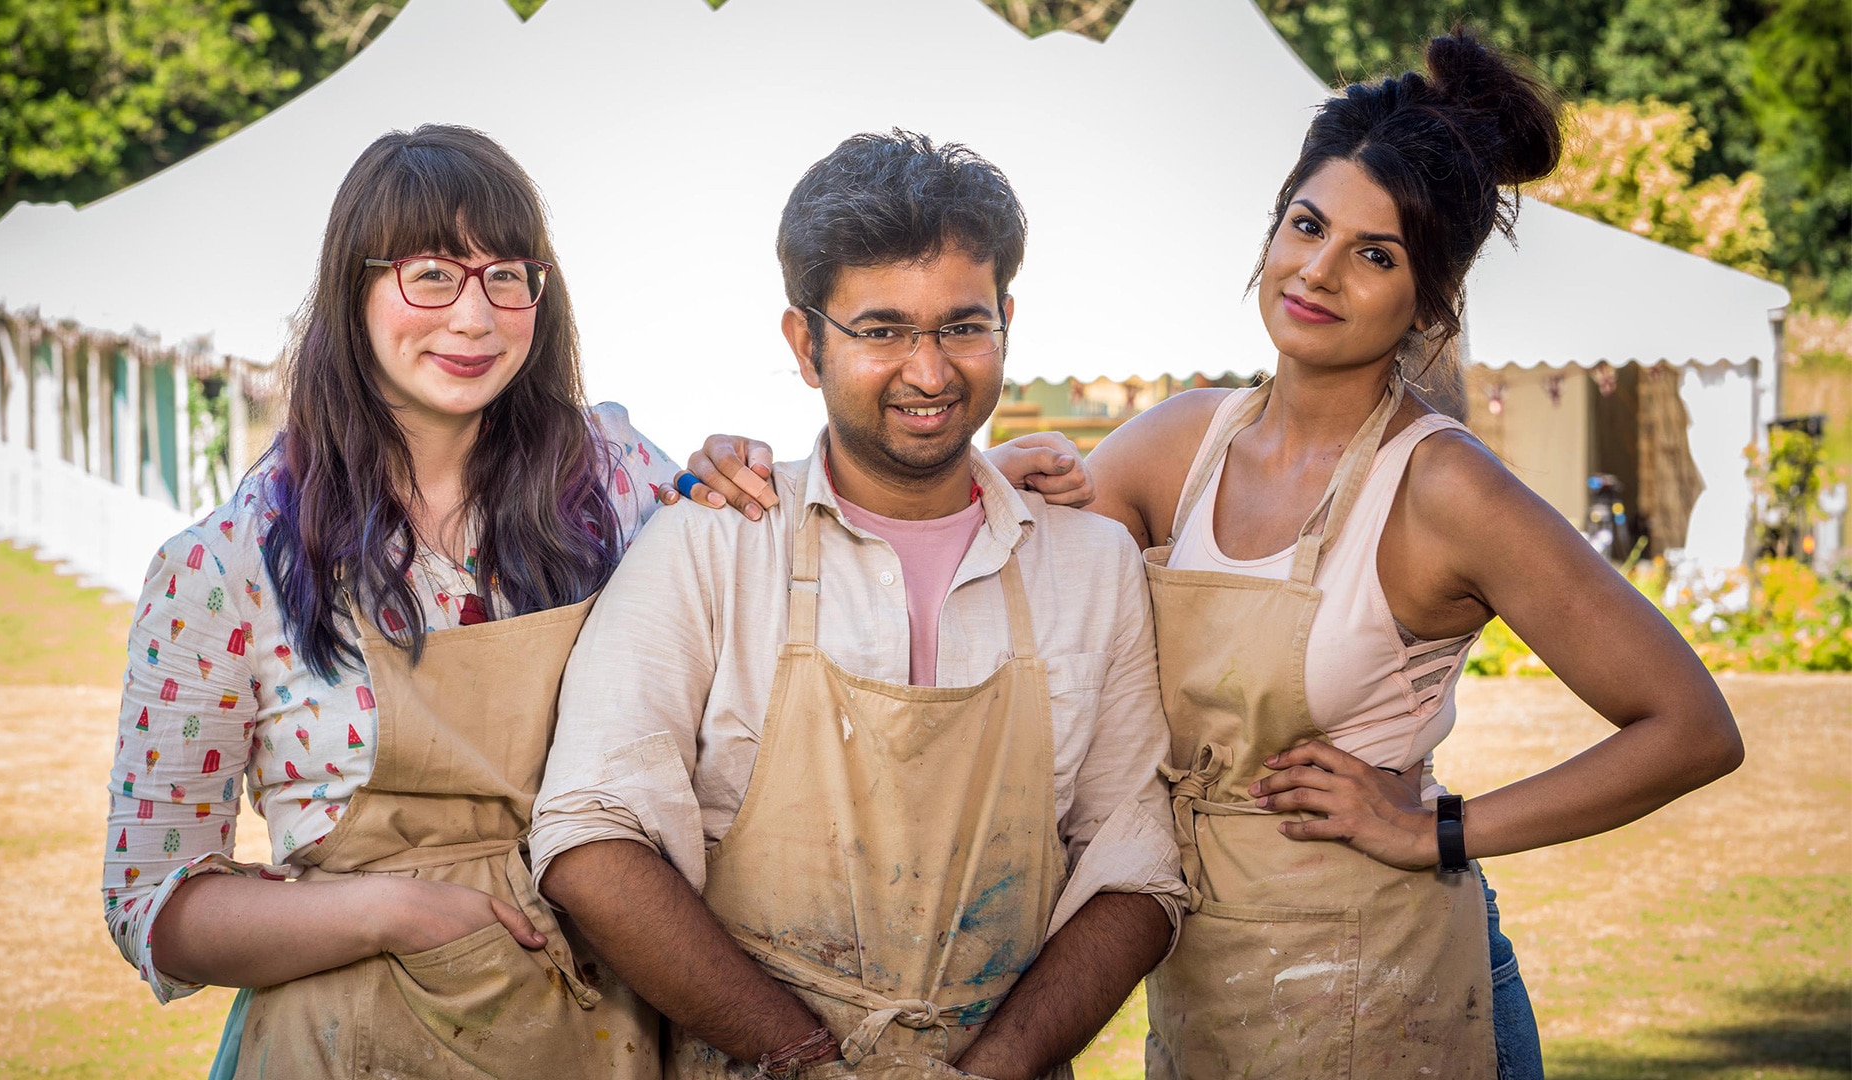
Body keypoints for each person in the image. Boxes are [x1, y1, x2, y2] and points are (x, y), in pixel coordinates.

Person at [99, 123, 1097, 1078]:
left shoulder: (613, 476)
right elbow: (153, 904)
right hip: (350, 1035)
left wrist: (964, 479)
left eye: (507, 276)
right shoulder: (224, 569)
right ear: (350, 290)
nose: (474, 316)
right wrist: (397, 913)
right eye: (429, 274)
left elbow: (801, 547)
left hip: (604, 1029)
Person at [1078, 31, 1745, 1078]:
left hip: (1394, 995)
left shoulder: (1442, 488)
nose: (1317, 270)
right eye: (1306, 225)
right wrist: (743, 474)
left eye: (1375, 255)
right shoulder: (1180, 445)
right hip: (1211, 992)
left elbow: (1692, 728)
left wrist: (1440, 828)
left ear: (1430, 298)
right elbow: (998, 549)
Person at [530, 130, 1186, 1080]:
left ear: (1007, 318)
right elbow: (589, 838)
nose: (929, 371)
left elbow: (1134, 872)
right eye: (881, 331)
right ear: (806, 343)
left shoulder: (1090, 567)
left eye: (963, 326)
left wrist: (992, 1071)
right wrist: (808, 1061)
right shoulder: (713, 545)